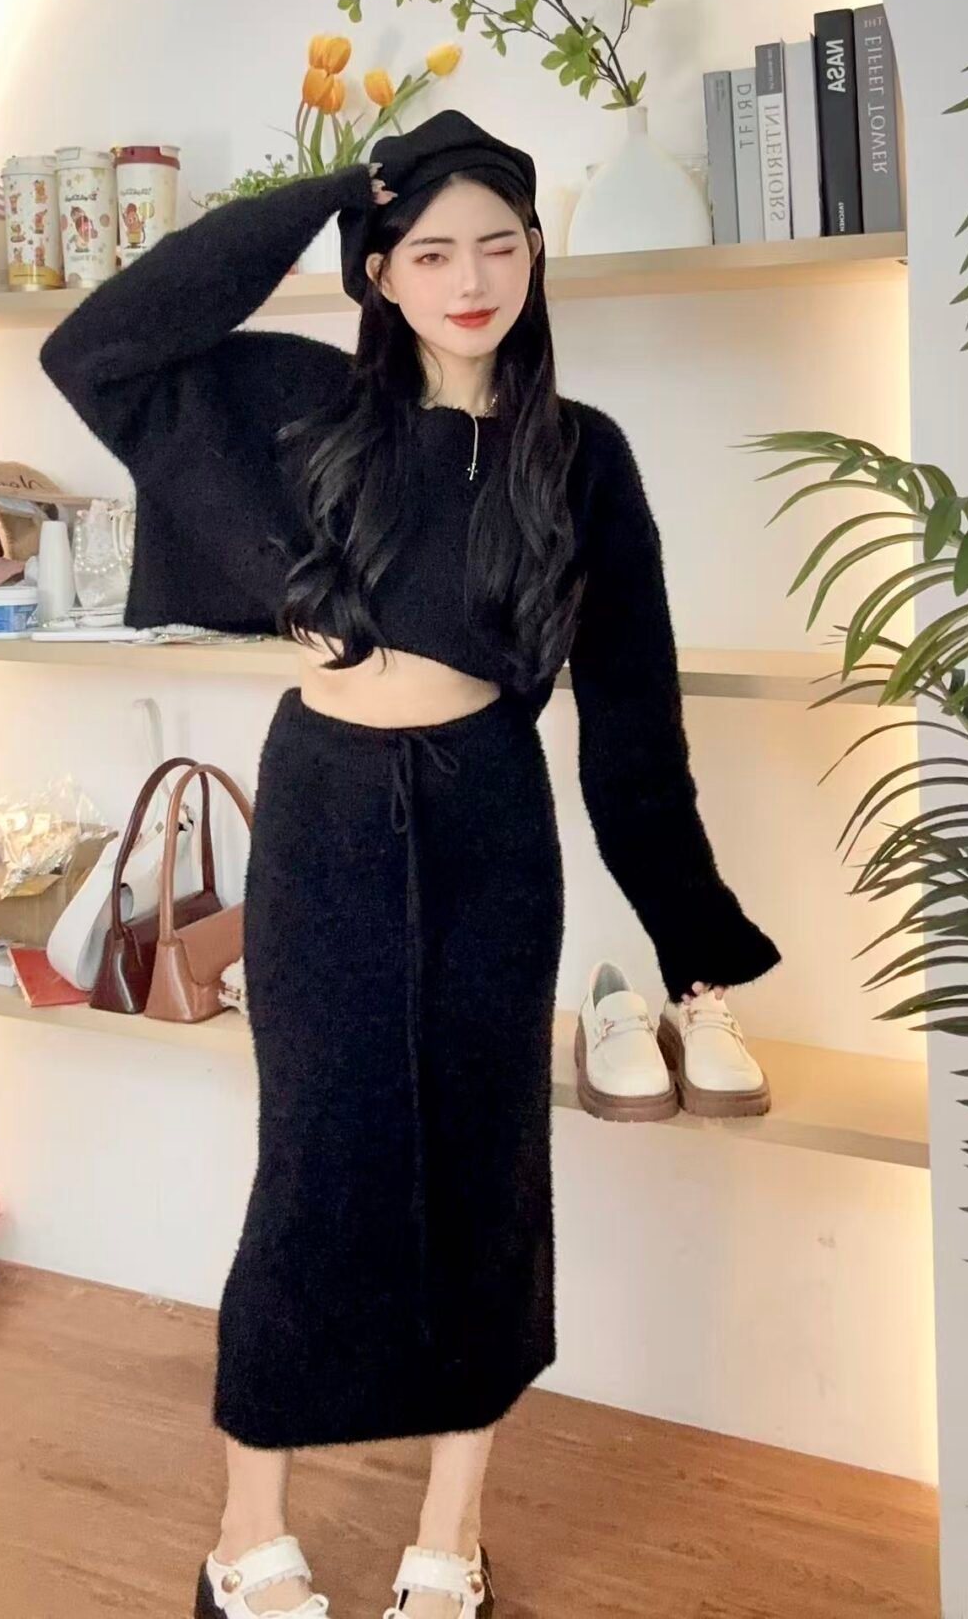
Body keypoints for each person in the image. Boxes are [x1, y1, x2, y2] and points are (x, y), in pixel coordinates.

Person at [40, 109, 781, 1619]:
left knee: (487, 1180)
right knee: (311, 1172)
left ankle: (452, 1533)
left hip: (491, 819)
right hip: (324, 813)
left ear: (537, 256)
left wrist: (694, 933)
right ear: (377, 272)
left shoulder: (581, 456)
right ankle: (246, 1535)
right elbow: (100, 349)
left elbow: (634, 719)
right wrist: (322, 193)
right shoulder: (302, 411)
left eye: (500, 245)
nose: (471, 278)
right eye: (430, 251)